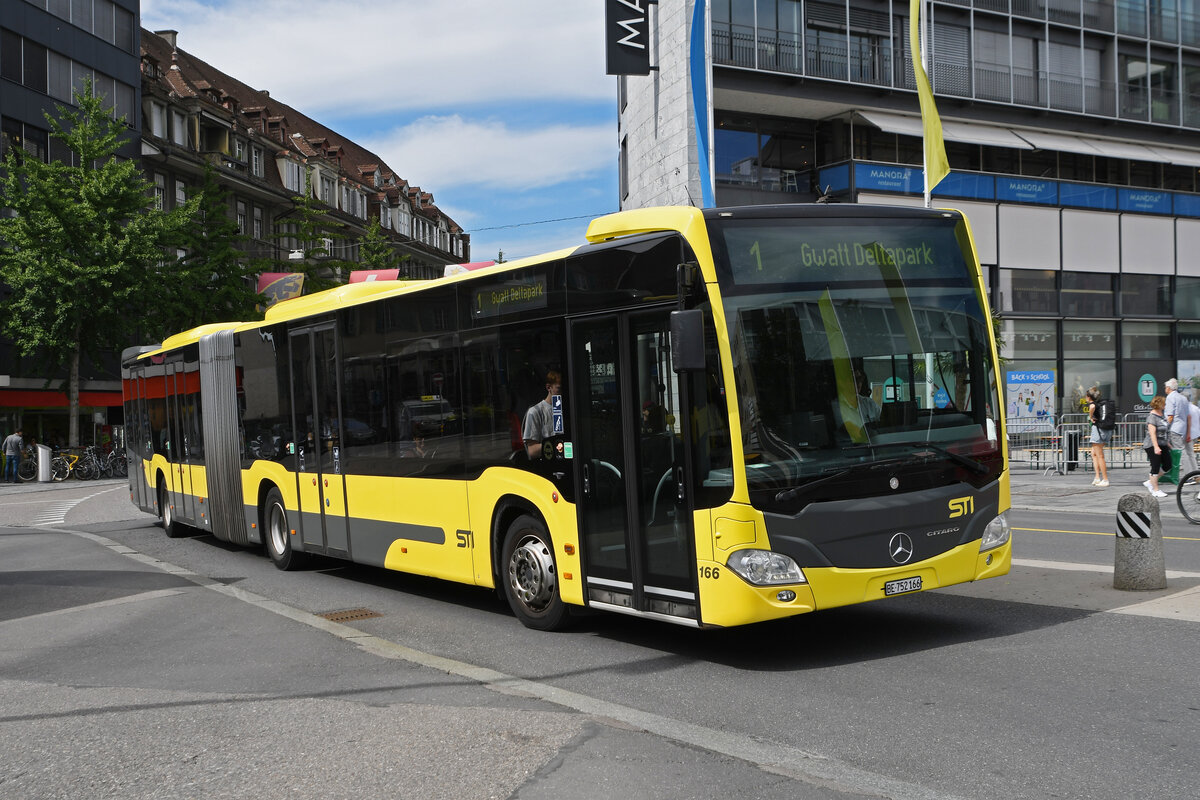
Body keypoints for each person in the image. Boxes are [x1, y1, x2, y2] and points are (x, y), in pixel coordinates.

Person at [523, 369, 562, 459]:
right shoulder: (535, 412)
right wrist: (556, 445)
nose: (562, 393)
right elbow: (532, 451)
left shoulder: (569, 410)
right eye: (559, 389)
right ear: (549, 388)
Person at [1143, 395, 1170, 498]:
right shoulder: (1152, 416)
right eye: (1164, 403)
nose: (1165, 405)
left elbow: (1165, 431)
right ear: (1159, 404)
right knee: (1155, 466)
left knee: (1168, 464)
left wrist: (1168, 443)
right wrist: (1155, 447)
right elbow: (1152, 433)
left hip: (1163, 444)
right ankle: (1155, 489)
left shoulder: (1162, 415)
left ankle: (1150, 482)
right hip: (1152, 444)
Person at [1085, 387, 1110, 488]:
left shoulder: (1093, 404)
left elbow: (1091, 408)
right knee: (1094, 453)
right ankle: (1097, 477)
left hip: (1097, 430)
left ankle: (1105, 479)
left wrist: (1090, 417)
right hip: (1104, 429)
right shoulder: (1099, 404)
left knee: (1100, 455)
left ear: (1088, 397)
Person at [1164, 378, 1188, 474]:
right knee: (1181, 450)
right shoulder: (1182, 398)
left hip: (1174, 428)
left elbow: (1170, 416)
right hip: (1183, 427)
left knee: (1179, 451)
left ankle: (1189, 473)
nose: (1165, 389)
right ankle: (1174, 471)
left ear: (1168, 388)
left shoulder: (1170, 397)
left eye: (1165, 387)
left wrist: (1164, 426)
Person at [1185, 389, 1200, 481]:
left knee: (1187, 454)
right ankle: (1195, 474)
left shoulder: (1186, 409)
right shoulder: (1196, 408)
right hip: (1195, 434)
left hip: (1188, 434)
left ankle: (1191, 474)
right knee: (1190, 454)